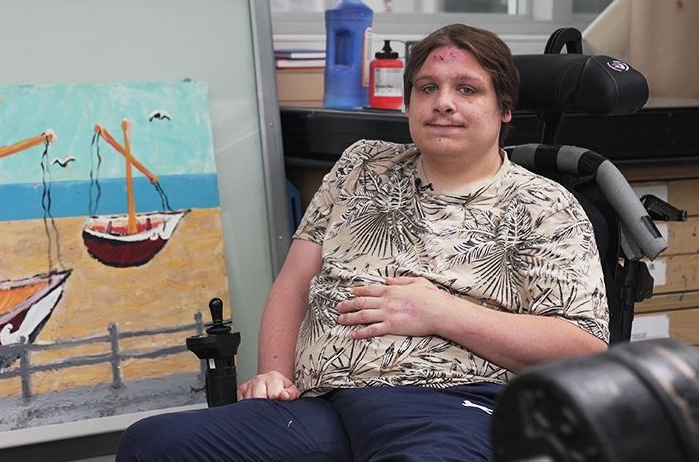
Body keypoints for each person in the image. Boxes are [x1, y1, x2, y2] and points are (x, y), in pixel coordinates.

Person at [116, 24, 610, 461]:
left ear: (504, 110)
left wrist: (438, 312)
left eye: (467, 90)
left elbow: (582, 348)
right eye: (427, 88)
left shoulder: (544, 205)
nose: (443, 102)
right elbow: (294, 282)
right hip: (320, 404)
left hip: (447, 407)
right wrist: (273, 375)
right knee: (152, 444)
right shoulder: (362, 165)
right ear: (409, 102)